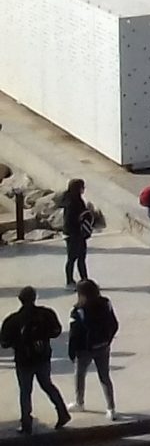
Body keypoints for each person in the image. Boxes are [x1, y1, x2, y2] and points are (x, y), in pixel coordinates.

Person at [4, 286, 71, 432]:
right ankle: (62, 411)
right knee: (47, 385)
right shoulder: (46, 313)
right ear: (35, 298)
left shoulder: (13, 320)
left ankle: (26, 423)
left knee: (25, 391)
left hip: (23, 360)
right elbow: (56, 331)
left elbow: (4, 343)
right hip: (42, 356)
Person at [67, 280, 115, 420]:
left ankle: (79, 402)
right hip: (103, 345)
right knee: (104, 377)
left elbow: (74, 335)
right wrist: (108, 340)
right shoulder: (106, 303)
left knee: (80, 375)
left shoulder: (78, 310)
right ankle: (111, 408)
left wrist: (72, 352)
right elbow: (114, 323)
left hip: (85, 349)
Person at [56, 180, 93, 288]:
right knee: (77, 258)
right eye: (82, 187)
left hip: (72, 234)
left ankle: (77, 280)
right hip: (75, 234)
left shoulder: (70, 199)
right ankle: (78, 280)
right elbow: (72, 219)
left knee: (75, 258)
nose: (84, 189)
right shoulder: (74, 202)